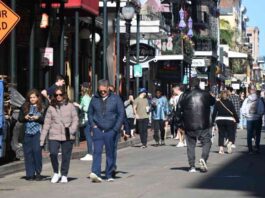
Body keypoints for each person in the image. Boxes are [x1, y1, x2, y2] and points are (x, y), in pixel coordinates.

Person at [175, 78, 215, 173]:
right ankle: (203, 158)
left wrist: (180, 123)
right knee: (206, 142)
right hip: (203, 123)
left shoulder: (184, 95)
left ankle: (192, 166)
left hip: (189, 124)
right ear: (198, 84)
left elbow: (178, 110)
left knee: (191, 145)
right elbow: (213, 101)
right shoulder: (204, 93)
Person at [88, 80, 125, 182]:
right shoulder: (94, 99)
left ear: (108, 88)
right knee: (97, 152)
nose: (102, 92)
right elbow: (90, 113)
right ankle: (96, 173)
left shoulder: (116, 99)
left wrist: (115, 129)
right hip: (98, 129)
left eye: (104, 91)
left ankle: (109, 174)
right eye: (101, 91)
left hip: (111, 130)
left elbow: (121, 114)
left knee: (110, 153)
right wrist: (93, 125)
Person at [40, 86, 79, 183]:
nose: (58, 96)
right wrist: (42, 139)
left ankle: (64, 174)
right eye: (56, 95)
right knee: (53, 153)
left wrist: (72, 130)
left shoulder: (70, 106)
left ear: (64, 95)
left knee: (66, 155)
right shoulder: (51, 107)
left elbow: (75, 119)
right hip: (54, 134)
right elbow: (47, 123)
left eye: (60, 94)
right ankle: (56, 172)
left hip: (68, 134)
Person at [18, 89, 45, 181]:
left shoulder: (42, 107)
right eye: (30, 97)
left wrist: (38, 118)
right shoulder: (24, 106)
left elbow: (45, 120)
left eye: (34, 97)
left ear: (38, 98)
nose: (32, 99)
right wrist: (25, 117)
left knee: (37, 152)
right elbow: (20, 119)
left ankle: (38, 173)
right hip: (27, 133)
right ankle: (30, 174)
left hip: (37, 132)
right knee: (28, 153)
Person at [241, 84, 265, 154]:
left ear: (249, 90)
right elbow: (262, 109)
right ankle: (257, 147)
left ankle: (250, 149)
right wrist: (259, 114)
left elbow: (243, 109)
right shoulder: (259, 99)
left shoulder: (247, 100)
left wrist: (246, 115)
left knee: (249, 134)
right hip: (257, 119)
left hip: (249, 119)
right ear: (255, 90)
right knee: (257, 134)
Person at [73, 82, 93, 161]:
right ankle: (90, 153)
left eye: (82, 87)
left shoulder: (85, 97)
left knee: (88, 136)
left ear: (84, 88)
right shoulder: (88, 96)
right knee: (88, 136)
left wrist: (78, 105)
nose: (81, 88)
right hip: (88, 119)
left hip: (86, 119)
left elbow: (87, 109)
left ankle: (90, 153)